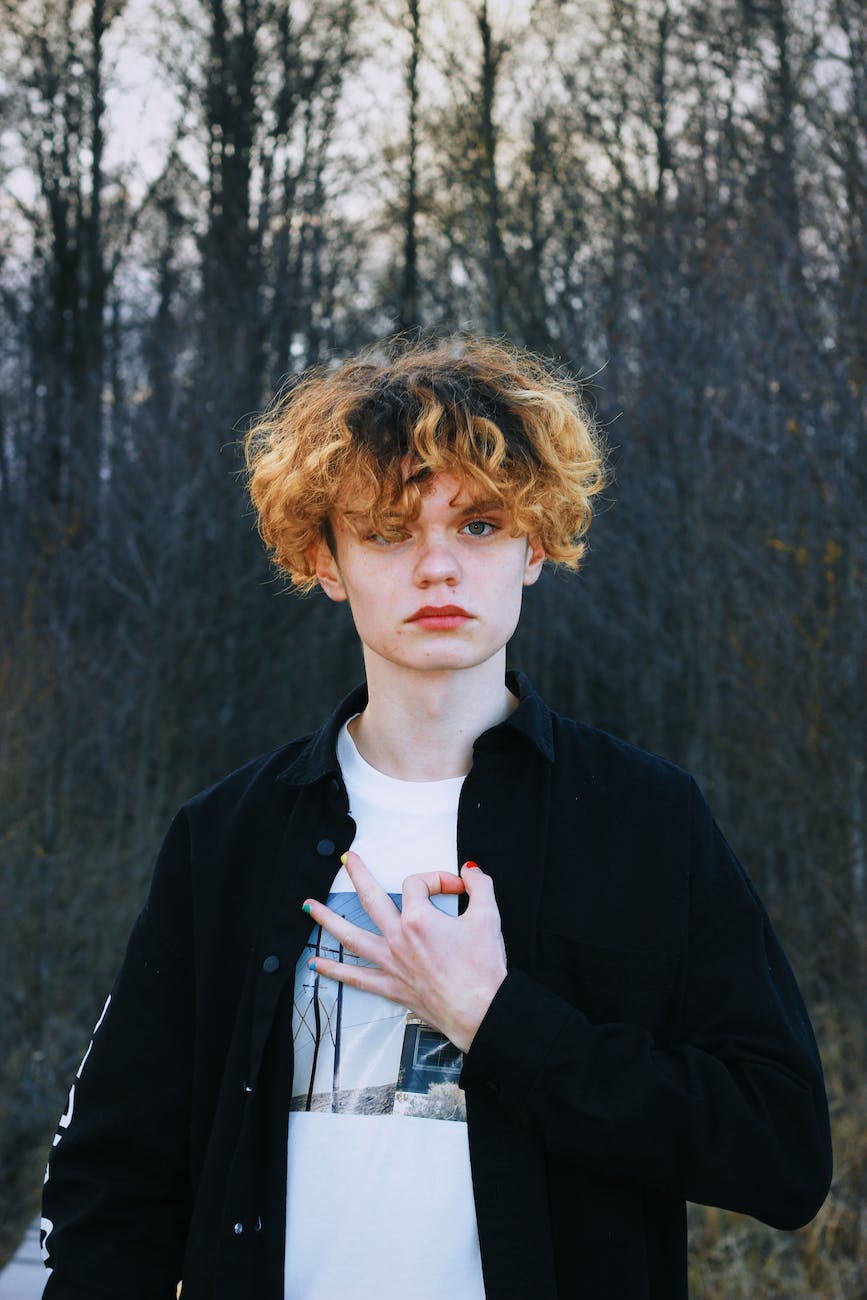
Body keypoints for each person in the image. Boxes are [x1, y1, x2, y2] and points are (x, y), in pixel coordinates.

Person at [40, 337, 832, 1299]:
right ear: (323, 561)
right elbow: (111, 1179)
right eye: (384, 532)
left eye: (480, 526)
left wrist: (498, 1022)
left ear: (533, 546)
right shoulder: (228, 835)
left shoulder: (643, 821)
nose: (436, 569)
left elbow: (780, 1152)